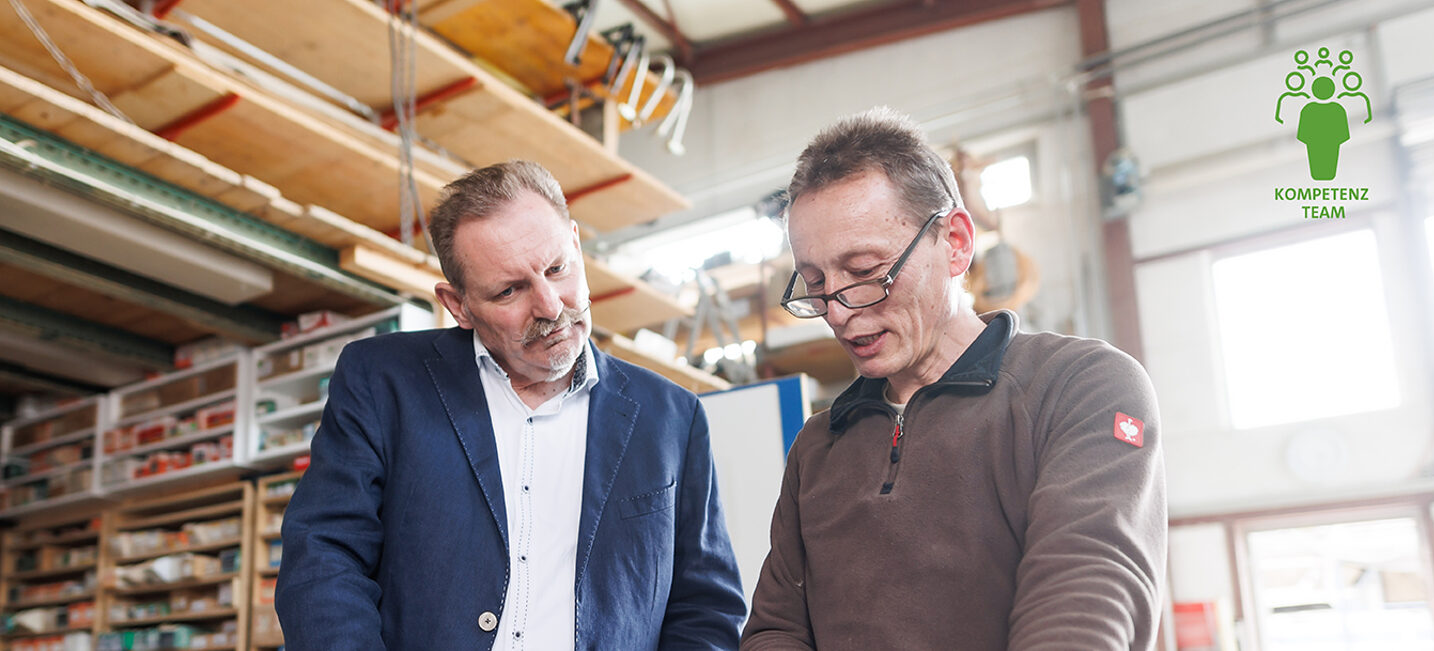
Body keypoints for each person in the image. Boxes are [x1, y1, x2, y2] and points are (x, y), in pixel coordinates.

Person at [274, 160, 747, 650]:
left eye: (558, 268)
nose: (549, 306)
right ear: (458, 305)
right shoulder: (383, 381)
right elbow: (323, 554)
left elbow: (704, 606)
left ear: (577, 245)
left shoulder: (671, 417)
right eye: (509, 290)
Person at [741, 108, 1167, 650]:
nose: (840, 311)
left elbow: (1085, 598)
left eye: (867, 271)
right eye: (816, 282)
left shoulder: (1079, 387)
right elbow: (775, 629)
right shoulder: (819, 446)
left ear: (957, 243)